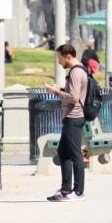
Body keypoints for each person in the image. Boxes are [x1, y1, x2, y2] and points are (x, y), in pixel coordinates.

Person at [44, 43, 88, 202]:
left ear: (68, 56)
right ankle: (66, 188)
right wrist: (61, 88)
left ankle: (77, 191)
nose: (59, 62)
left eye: (60, 58)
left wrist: (56, 92)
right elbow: (73, 92)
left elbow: (74, 97)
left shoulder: (76, 72)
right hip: (73, 116)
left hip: (74, 117)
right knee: (63, 152)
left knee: (75, 154)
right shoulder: (79, 70)